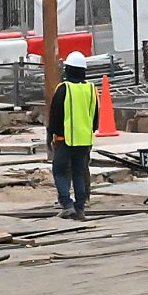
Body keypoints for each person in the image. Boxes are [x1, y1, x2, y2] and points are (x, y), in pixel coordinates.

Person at [46, 50, 101, 219]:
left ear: (68, 70)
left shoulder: (63, 89)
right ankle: (80, 208)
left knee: (59, 171)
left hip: (65, 140)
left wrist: (50, 137)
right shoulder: (91, 89)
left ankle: (66, 203)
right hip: (84, 141)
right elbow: (95, 118)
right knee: (79, 173)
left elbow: (54, 116)